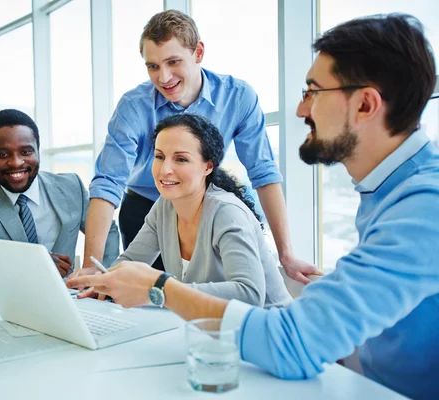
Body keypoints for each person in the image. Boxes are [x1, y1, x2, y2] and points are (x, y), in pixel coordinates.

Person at [68, 14, 439, 399]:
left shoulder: (423, 208)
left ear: (365, 104)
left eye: (313, 91)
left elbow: (291, 343)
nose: (300, 110)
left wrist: (159, 287)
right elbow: (108, 183)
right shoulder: (389, 191)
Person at [83, 9, 318, 284]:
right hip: (146, 207)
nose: (164, 77)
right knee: (148, 301)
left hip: (205, 204)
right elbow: (108, 184)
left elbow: (263, 174)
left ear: (198, 53)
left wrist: (286, 255)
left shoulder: (238, 97)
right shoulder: (133, 106)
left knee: (205, 296)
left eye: (173, 62)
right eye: (153, 66)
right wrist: (90, 266)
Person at [80, 113, 290, 306]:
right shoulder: (165, 206)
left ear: (207, 167)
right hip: (210, 331)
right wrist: (100, 281)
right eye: (159, 156)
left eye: (181, 159)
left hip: (270, 332)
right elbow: (130, 261)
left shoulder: (226, 212)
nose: (165, 170)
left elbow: (250, 294)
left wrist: (158, 288)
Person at [0, 109, 120, 282]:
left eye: (26, 152)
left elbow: (107, 230)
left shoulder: (71, 187)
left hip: (68, 299)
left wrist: (101, 278)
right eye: (3, 154)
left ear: (38, 149)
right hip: (0, 306)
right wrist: (28, 265)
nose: (16, 163)